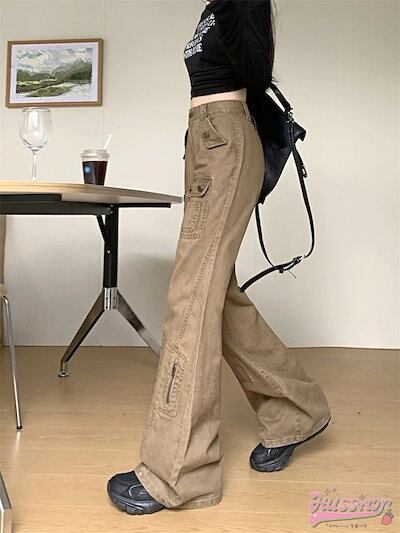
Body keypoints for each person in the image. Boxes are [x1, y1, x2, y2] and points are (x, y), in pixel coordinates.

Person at [107, 0, 331, 515]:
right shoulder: (212, 7)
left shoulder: (240, 4)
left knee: (190, 297)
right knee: (215, 295)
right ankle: (297, 410)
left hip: (222, 137)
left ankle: (181, 472)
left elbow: (253, 71)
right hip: (206, 140)